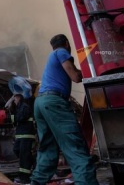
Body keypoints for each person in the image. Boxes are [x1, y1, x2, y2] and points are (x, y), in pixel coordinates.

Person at [30, 34, 98, 185]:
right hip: (54, 102)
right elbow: (74, 76)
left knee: (48, 147)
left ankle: (37, 182)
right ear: (67, 43)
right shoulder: (61, 52)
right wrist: (86, 70)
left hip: (41, 103)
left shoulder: (51, 56)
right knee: (74, 145)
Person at [8, 94, 36, 184]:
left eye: (14, 98)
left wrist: (12, 116)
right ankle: (34, 163)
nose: (14, 100)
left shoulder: (24, 106)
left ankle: (24, 178)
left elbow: (20, 118)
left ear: (19, 97)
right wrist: (11, 110)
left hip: (27, 134)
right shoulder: (18, 107)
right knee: (16, 150)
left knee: (24, 156)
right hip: (21, 134)